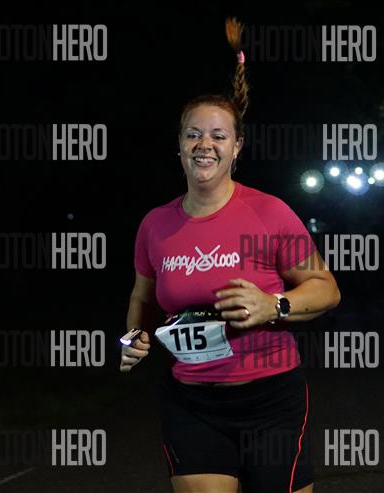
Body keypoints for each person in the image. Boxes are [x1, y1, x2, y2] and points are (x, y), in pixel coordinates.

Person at [119, 18, 340, 493]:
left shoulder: (269, 212)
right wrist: (132, 338)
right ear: (179, 145)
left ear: (236, 147)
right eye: (193, 134)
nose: (204, 145)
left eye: (218, 136)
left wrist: (273, 304)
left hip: (271, 400)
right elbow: (143, 298)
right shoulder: (155, 224)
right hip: (191, 403)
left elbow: (326, 289)